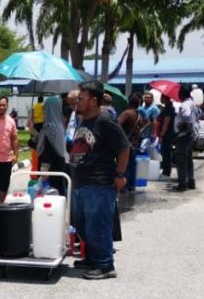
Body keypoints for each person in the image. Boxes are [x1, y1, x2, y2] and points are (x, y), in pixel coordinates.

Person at [68, 81, 130, 280]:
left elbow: (124, 147)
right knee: (81, 224)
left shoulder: (105, 121)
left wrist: (120, 175)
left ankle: (105, 264)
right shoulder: (83, 120)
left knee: (98, 225)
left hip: (99, 183)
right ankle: (93, 258)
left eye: (81, 98)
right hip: (80, 182)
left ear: (94, 101)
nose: (77, 102)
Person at [35, 95, 69, 195]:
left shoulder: (50, 128)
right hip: (59, 165)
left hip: (51, 170)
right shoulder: (59, 126)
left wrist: (43, 175)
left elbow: (49, 150)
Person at [172, 83, 199, 192]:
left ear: (182, 93)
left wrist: (187, 126)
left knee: (181, 159)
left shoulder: (184, 105)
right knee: (188, 159)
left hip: (183, 136)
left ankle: (182, 183)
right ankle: (191, 181)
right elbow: (196, 117)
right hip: (190, 135)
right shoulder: (192, 103)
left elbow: (187, 116)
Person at [116, 96, 143, 192]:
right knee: (132, 165)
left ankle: (124, 187)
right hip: (134, 143)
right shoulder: (139, 115)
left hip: (125, 143)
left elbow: (117, 123)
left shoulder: (127, 113)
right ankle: (131, 185)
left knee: (124, 165)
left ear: (129, 102)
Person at [158, 95, 176, 178]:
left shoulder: (168, 108)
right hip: (169, 134)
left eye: (161, 98)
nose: (160, 99)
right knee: (165, 153)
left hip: (167, 135)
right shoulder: (169, 107)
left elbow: (166, 123)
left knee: (166, 153)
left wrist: (161, 135)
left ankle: (166, 172)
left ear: (164, 98)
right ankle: (166, 171)